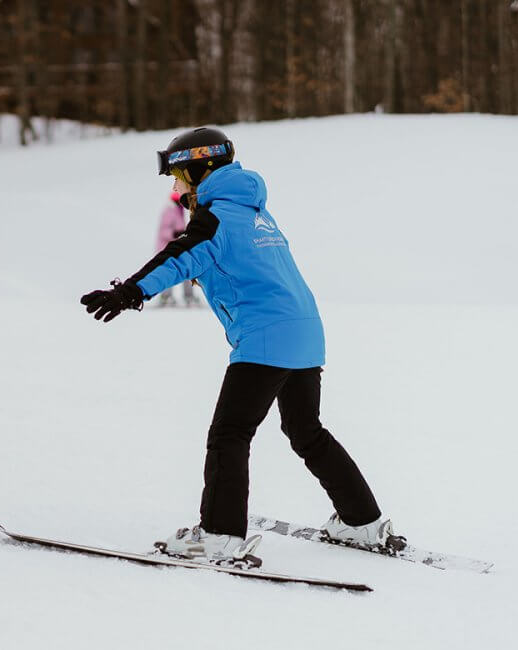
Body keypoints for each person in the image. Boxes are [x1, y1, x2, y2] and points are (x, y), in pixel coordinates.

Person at [80, 127, 402, 567]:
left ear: (199, 169)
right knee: (306, 432)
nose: (175, 189)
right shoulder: (255, 214)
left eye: (177, 177)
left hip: (266, 338)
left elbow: (178, 257)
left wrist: (129, 292)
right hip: (305, 334)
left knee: (230, 434)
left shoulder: (216, 219)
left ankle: (219, 536)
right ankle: (362, 522)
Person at [154, 191, 201, 308]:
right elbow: (163, 230)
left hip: (177, 247)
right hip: (166, 248)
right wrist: (175, 233)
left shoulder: (179, 211)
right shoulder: (169, 211)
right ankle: (166, 297)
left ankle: (188, 296)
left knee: (185, 270)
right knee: (170, 272)